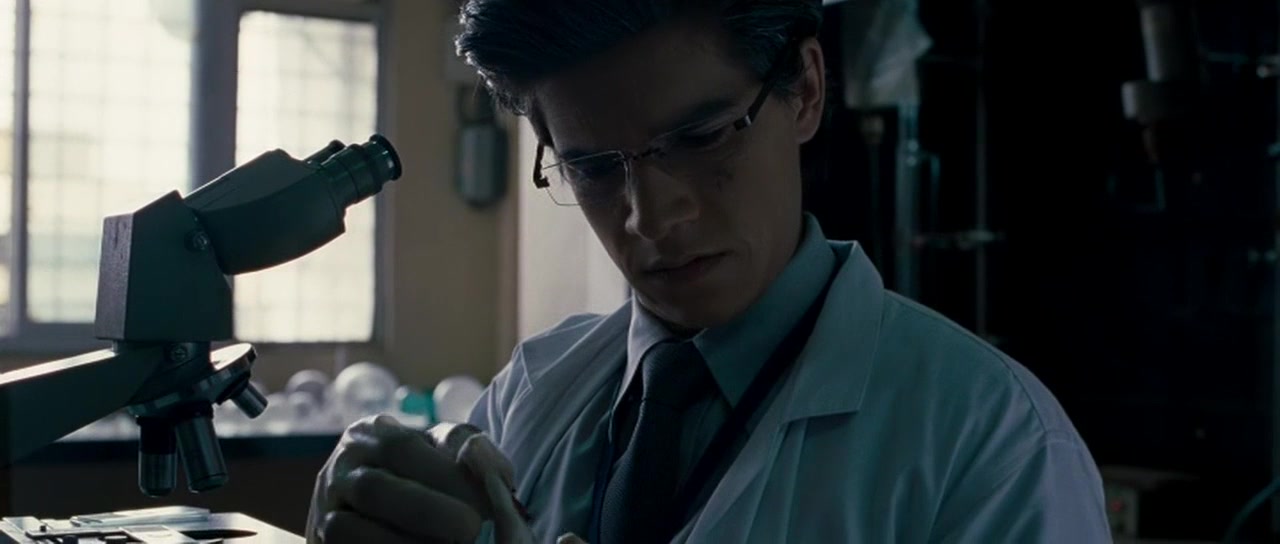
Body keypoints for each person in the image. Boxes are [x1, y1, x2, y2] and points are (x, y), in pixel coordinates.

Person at [307, 1, 1112, 542]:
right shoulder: (534, 391)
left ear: (805, 89)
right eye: (593, 167)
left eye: (700, 139)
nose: (651, 218)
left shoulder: (989, 443)